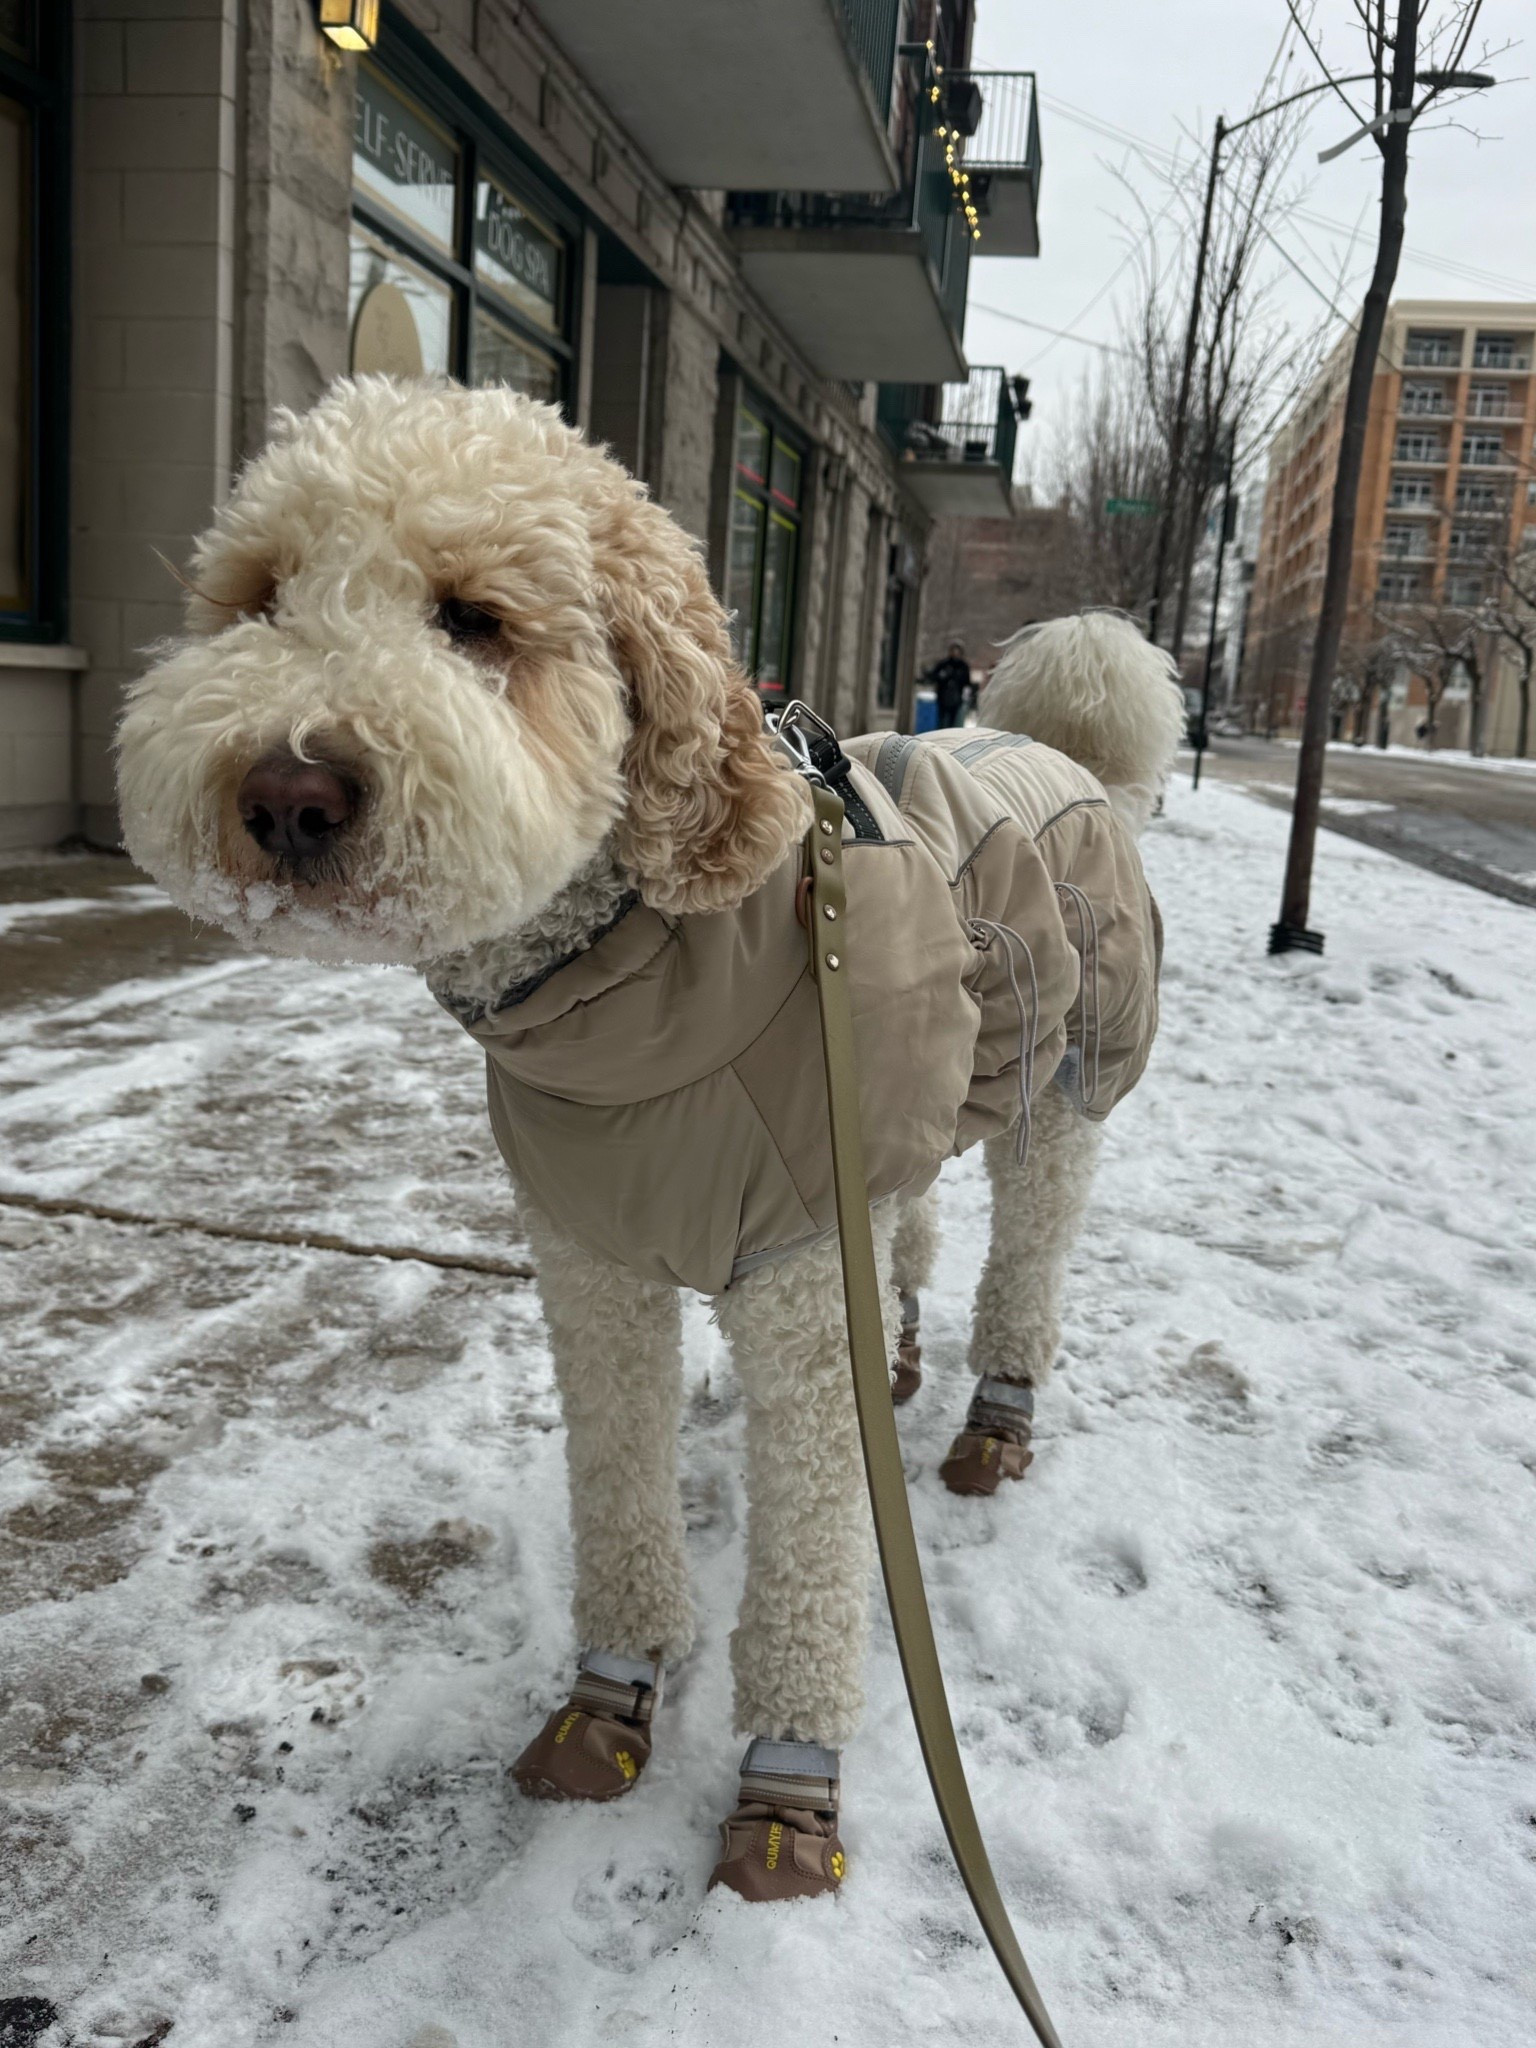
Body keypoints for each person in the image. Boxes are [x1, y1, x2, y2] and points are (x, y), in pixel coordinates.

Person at [923, 642, 973, 728]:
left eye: (957, 651)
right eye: (953, 651)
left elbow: (967, 682)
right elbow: (933, 677)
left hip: (956, 699)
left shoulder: (963, 666)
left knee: (954, 722)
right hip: (942, 698)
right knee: (941, 721)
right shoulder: (943, 664)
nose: (955, 653)